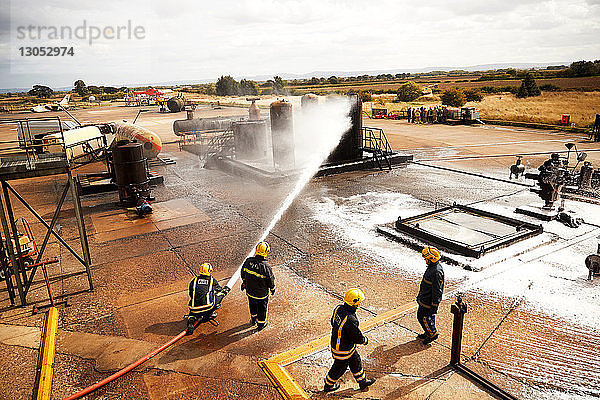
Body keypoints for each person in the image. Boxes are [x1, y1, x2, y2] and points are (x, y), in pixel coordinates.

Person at [323, 288, 376, 393]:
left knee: (356, 361)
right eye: (359, 302)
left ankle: (362, 382)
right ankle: (328, 385)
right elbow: (356, 337)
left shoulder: (338, 308)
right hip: (343, 350)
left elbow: (332, 321)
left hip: (341, 344)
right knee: (339, 368)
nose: (360, 304)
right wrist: (364, 340)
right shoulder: (351, 319)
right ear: (355, 303)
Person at [186, 263, 229, 335]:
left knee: (192, 313)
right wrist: (225, 290)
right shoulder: (212, 281)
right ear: (209, 271)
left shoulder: (194, 281)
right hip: (207, 307)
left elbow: (191, 294)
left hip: (194, 308)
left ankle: (191, 320)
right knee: (219, 296)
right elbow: (219, 290)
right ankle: (208, 315)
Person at [241, 241, 275, 331]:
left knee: (252, 305)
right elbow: (270, 280)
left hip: (250, 292)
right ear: (266, 253)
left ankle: (253, 319)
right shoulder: (266, 267)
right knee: (262, 309)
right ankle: (261, 324)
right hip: (261, 295)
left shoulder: (248, 261)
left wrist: (244, 282)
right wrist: (272, 289)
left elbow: (242, 273)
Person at [416, 247, 444, 345]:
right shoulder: (433, 268)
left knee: (422, 317)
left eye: (426, 259)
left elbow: (437, 291)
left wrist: (435, 305)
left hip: (428, 301)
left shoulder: (436, 272)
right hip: (424, 298)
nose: (425, 261)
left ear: (431, 258)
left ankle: (432, 334)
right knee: (428, 318)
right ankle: (428, 332)